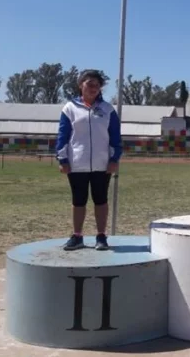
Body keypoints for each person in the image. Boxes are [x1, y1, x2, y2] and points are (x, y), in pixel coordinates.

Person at [56, 69, 122, 251]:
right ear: (80, 85)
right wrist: (62, 159)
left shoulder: (108, 110)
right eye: (89, 84)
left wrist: (114, 158)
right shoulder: (69, 108)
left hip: (102, 163)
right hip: (77, 163)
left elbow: (115, 137)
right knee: (78, 200)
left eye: (97, 85)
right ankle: (77, 236)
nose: (93, 88)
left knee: (101, 199)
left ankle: (101, 236)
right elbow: (63, 135)